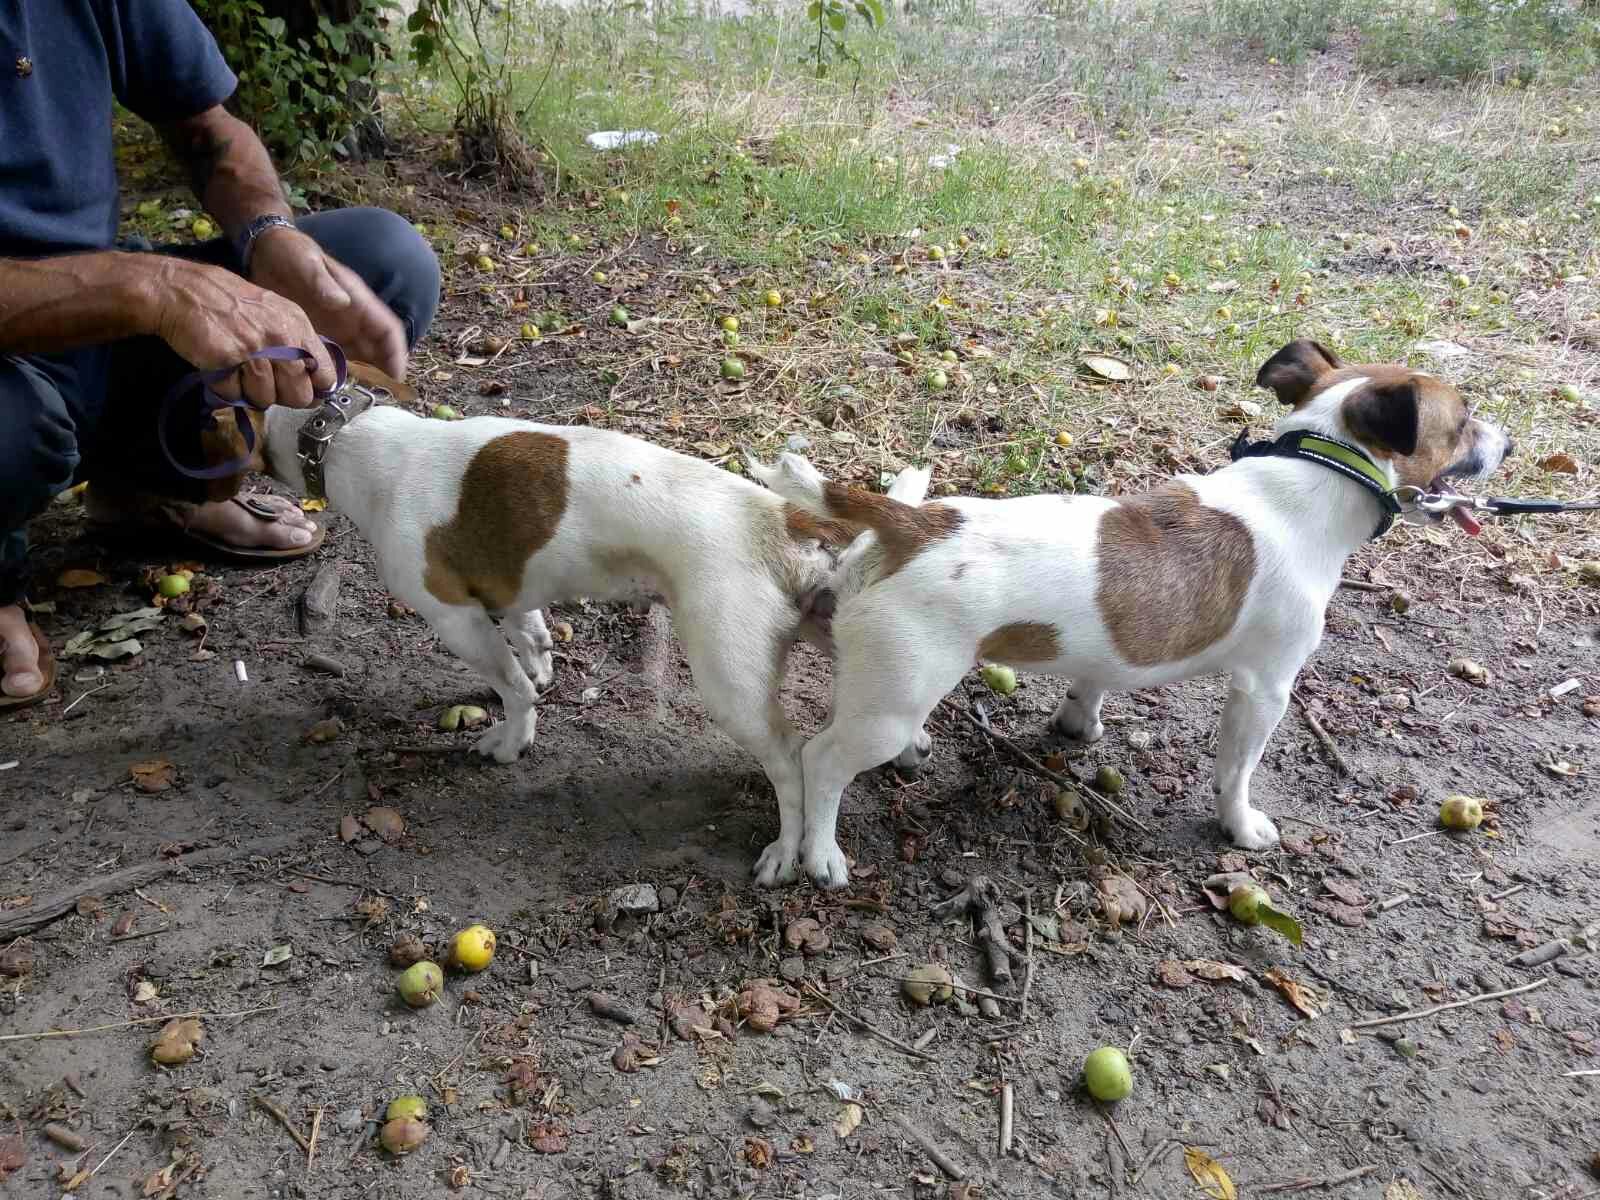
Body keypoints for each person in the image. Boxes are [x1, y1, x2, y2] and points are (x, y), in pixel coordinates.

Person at [0, 0, 440, 708]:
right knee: (12, 432)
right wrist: (154, 287)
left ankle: (152, 490)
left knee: (383, 266)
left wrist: (269, 234)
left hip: (100, 336)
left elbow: (207, 129)